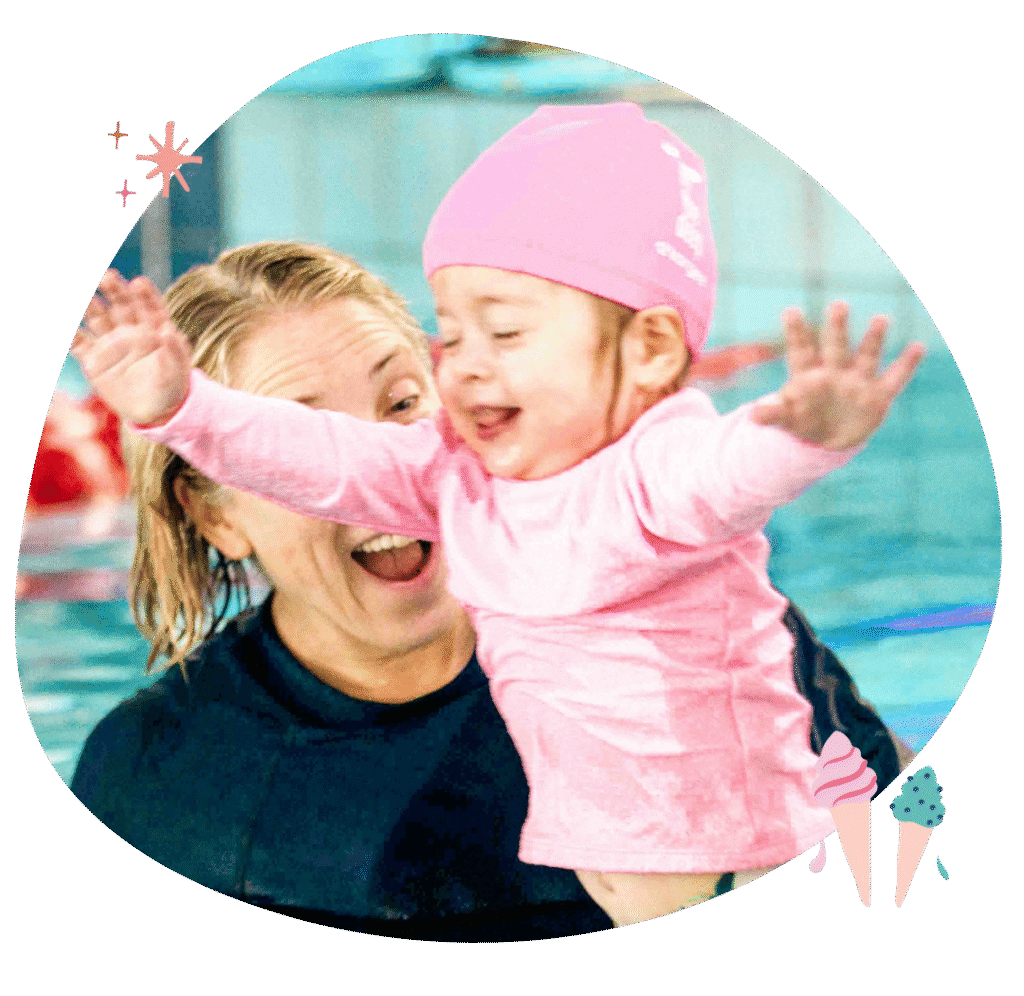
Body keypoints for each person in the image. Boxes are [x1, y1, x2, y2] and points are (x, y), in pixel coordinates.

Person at [72, 240, 911, 940]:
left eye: (404, 404)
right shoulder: (155, 778)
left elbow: (909, 859)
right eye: (307, 438)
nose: (375, 468)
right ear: (215, 514)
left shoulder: (690, 630)